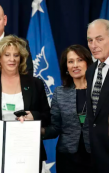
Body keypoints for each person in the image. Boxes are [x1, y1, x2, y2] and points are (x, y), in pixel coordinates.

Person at [0, 35, 49, 172]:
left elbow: (47, 116)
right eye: (7, 55)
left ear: (21, 59)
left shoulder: (35, 84)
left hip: (27, 152)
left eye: (16, 55)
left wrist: (33, 116)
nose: (12, 59)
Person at [41, 45, 93, 173]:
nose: (75, 65)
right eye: (70, 61)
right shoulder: (60, 93)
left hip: (96, 155)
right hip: (67, 158)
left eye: (80, 60)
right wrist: (34, 131)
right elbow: (55, 128)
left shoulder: (99, 90)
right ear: (66, 67)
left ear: (88, 63)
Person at [86, 19, 109, 172]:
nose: (93, 45)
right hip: (95, 155)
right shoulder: (91, 70)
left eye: (99, 39)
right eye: (90, 40)